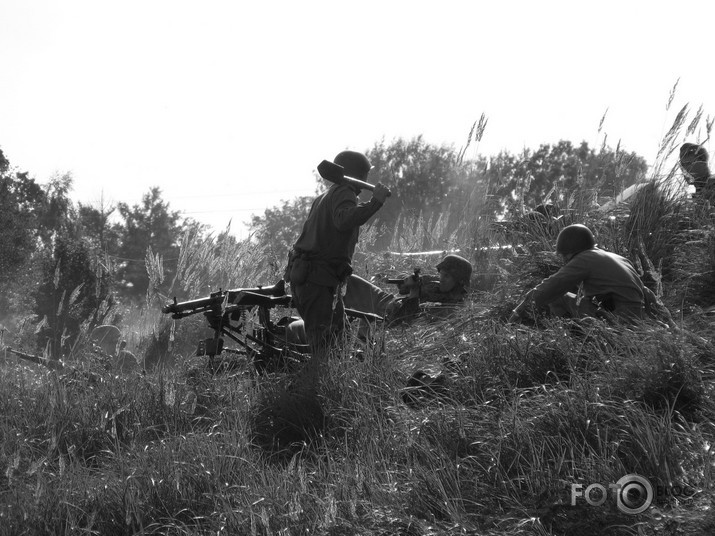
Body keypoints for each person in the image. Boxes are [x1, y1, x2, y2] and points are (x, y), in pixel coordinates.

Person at [285, 150, 390, 360]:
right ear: (358, 175)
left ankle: (320, 384)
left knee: (335, 343)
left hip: (310, 279)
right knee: (327, 350)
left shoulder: (324, 197)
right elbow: (344, 220)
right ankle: (316, 388)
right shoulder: (345, 191)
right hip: (317, 281)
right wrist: (375, 202)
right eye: (365, 176)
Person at [284, 254, 473, 346]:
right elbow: (406, 290)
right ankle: (309, 307)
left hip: (389, 312)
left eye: (447, 276)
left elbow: (406, 320)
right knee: (347, 284)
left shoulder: (452, 308)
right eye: (442, 274)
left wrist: (414, 292)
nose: (441, 278)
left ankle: (316, 324)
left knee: (348, 287)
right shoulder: (438, 285)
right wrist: (407, 285)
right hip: (389, 303)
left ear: (459, 282)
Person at [509, 224, 664, 323]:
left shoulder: (585, 258)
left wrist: (519, 310)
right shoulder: (619, 258)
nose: (563, 260)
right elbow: (646, 293)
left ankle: (572, 338)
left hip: (618, 319)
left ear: (571, 251)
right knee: (578, 298)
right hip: (637, 320)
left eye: (564, 255)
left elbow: (552, 286)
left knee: (559, 297)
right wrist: (666, 321)